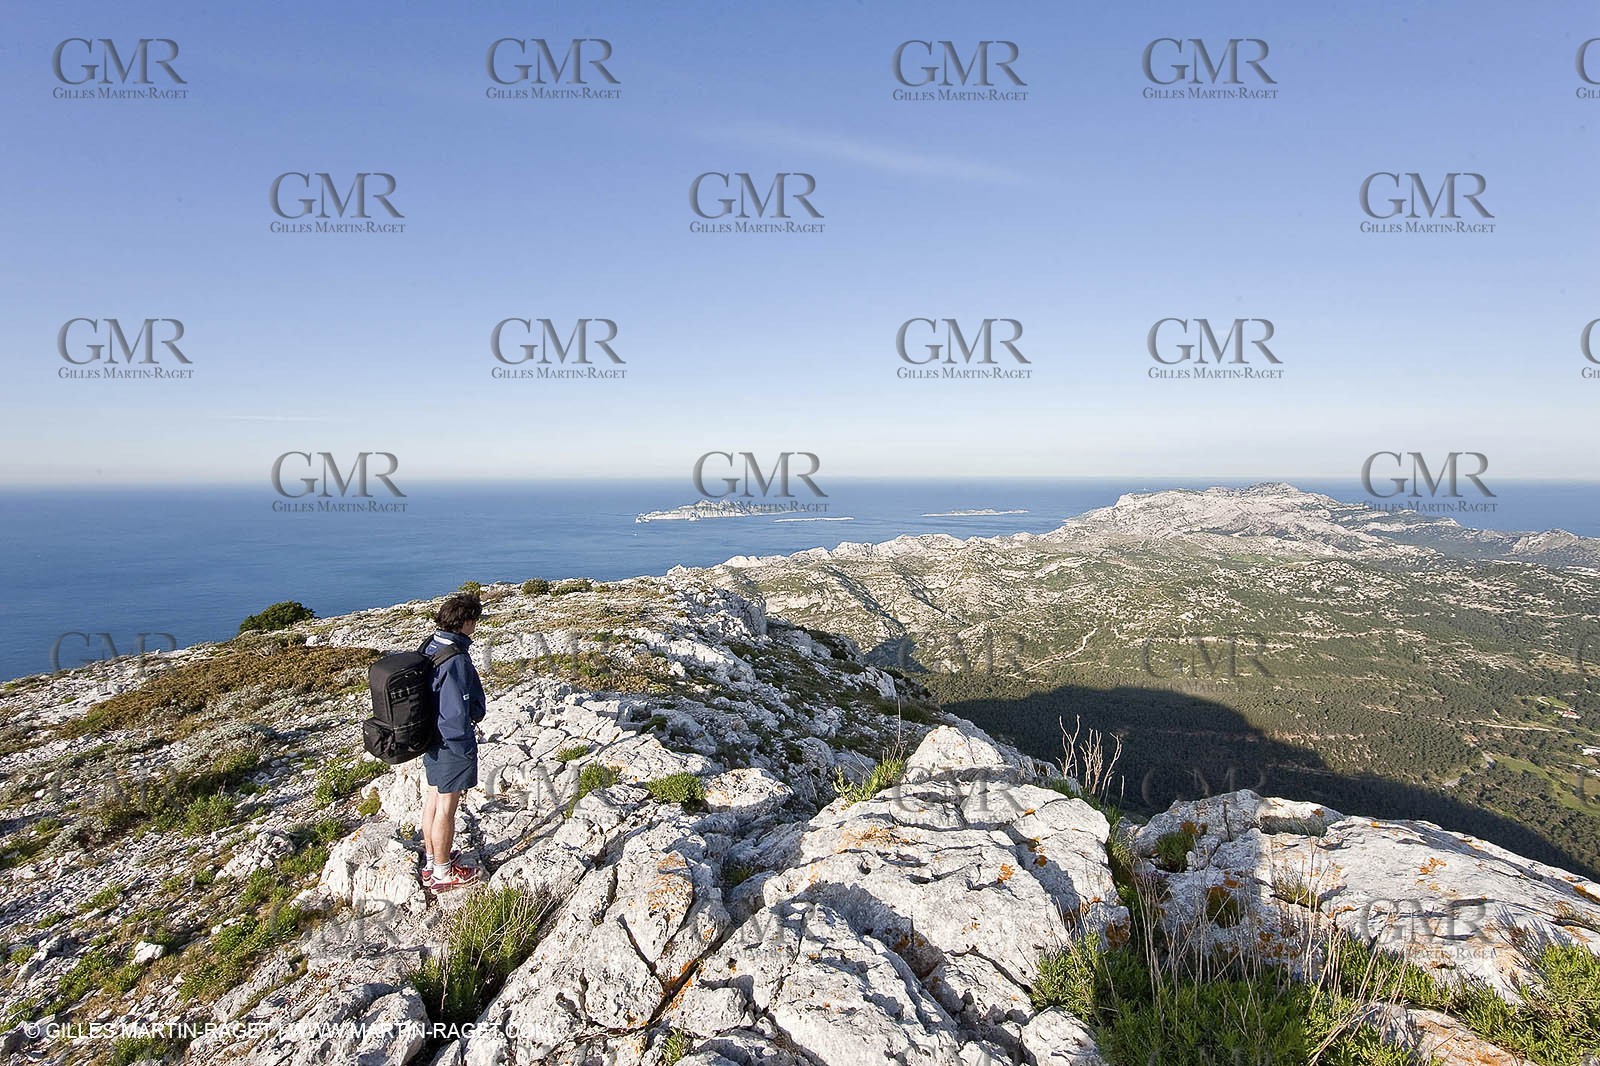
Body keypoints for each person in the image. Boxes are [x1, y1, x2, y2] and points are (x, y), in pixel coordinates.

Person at [419, 591, 486, 889]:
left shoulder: (431, 645)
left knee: (432, 800)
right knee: (447, 807)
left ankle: (433, 861)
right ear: (466, 621)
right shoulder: (456, 657)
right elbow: (457, 708)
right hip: (451, 740)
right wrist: (464, 742)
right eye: (474, 620)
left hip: (430, 736)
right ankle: (443, 872)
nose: (475, 626)